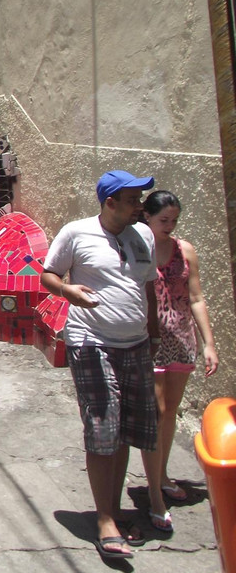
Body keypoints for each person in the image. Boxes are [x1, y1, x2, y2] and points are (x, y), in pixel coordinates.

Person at [40, 170, 161, 560]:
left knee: (125, 428)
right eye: (132, 199)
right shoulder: (77, 233)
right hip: (91, 342)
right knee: (103, 424)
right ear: (110, 202)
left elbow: (147, 287)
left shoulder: (142, 234)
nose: (140, 205)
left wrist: (154, 334)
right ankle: (105, 519)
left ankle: (114, 507)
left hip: (136, 344)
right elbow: (48, 275)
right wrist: (67, 291)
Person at [139, 190, 219, 512]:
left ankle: (162, 475)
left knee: (170, 410)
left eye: (174, 220)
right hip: (151, 340)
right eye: (163, 220)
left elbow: (196, 298)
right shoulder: (137, 248)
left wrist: (209, 343)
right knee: (157, 409)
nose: (170, 226)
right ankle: (154, 483)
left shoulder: (185, 251)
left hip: (181, 340)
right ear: (148, 216)